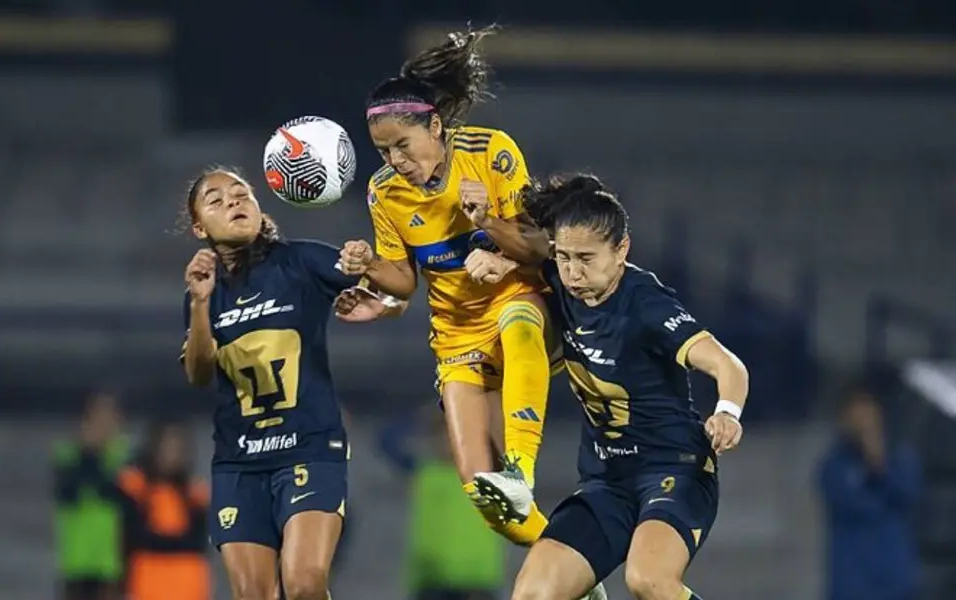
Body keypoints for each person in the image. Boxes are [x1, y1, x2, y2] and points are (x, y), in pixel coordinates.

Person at [465, 175, 749, 600]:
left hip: (674, 470)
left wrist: (727, 410)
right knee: (533, 594)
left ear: (622, 251)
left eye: (586, 258)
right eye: (564, 258)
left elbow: (727, 364)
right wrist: (501, 261)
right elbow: (529, 254)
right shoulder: (560, 278)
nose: (574, 273)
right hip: (606, 482)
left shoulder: (646, 304)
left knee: (648, 580)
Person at [339, 25, 556, 547]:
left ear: (435, 126)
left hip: (515, 300)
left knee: (519, 322)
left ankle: (521, 469)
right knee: (483, 495)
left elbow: (540, 247)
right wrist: (369, 265)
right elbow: (404, 281)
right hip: (457, 336)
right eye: (384, 151)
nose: (395, 161)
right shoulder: (384, 193)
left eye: (402, 146)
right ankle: (575, 568)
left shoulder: (491, 153)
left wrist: (490, 223)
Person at [180, 167, 399, 600]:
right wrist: (202, 304)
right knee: (253, 595)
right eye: (216, 199)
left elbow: (398, 287)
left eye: (241, 193)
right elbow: (199, 373)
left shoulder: (301, 260)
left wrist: (380, 294)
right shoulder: (200, 292)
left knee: (303, 585)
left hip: (309, 447)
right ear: (199, 227)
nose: (233, 202)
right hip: (239, 461)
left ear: (260, 209)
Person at [380, 406, 505, 600]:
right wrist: (418, 417)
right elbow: (386, 442)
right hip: (431, 581)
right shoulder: (424, 473)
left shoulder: (488, 475)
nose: (449, 442)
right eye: (442, 436)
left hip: (476, 583)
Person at [817, 385, 922, 600]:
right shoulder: (834, 465)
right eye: (855, 413)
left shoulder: (901, 458)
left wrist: (878, 463)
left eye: (867, 413)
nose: (862, 421)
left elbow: (907, 494)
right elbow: (852, 502)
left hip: (895, 579)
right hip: (852, 582)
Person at [117, 421, 210, 600]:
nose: (172, 454)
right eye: (167, 446)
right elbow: (132, 537)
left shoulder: (195, 493)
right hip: (148, 584)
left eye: (178, 448)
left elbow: (198, 542)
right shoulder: (136, 487)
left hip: (188, 586)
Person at [53, 392, 130, 600]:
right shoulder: (67, 455)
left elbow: (114, 491)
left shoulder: (124, 456)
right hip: (76, 559)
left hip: (111, 560)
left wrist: (95, 456)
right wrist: (88, 453)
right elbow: (67, 493)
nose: (102, 425)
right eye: (96, 418)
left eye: (108, 418)